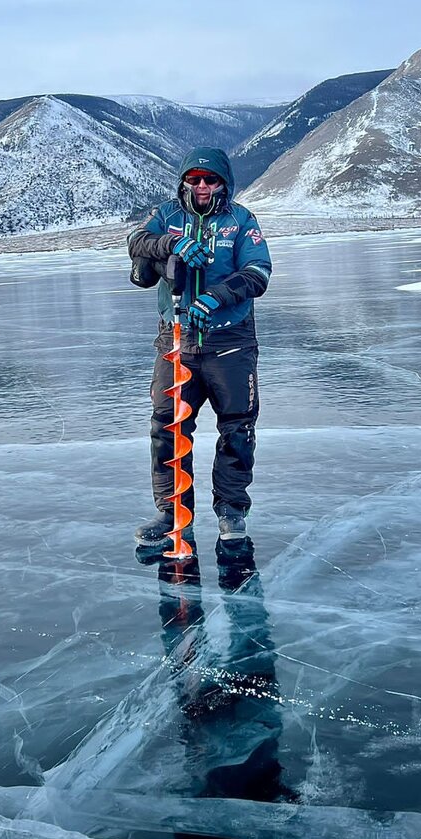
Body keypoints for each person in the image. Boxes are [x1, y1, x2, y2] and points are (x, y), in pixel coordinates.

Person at [127, 147, 272, 547]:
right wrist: (169, 248)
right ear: (183, 182)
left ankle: (230, 511)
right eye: (194, 179)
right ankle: (173, 511)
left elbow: (258, 272)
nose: (202, 186)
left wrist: (217, 296)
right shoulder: (167, 216)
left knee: (237, 428)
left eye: (210, 179)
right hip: (177, 342)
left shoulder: (240, 221)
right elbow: (136, 242)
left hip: (230, 342)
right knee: (168, 427)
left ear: (224, 182)